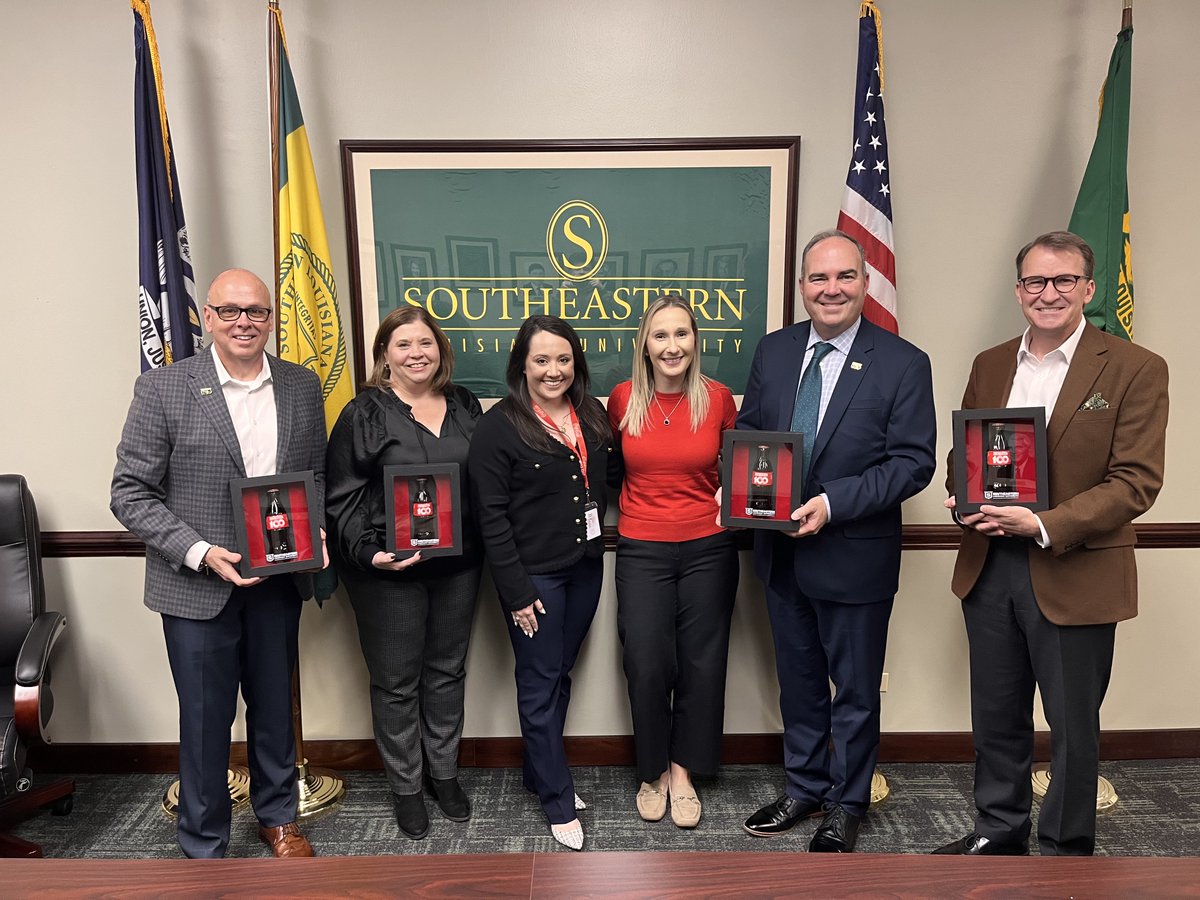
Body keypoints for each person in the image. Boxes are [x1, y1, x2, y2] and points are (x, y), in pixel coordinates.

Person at [933, 231, 1168, 857]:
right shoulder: (990, 363)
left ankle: (1067, 849)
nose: (1049, 293)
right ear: (1019, 292)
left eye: (1064, 281)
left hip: (1073, 569)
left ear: (1089, 289)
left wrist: (1041, 524)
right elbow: (965, 454)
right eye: (1036, 282)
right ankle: (998, 830)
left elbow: (1135, 482)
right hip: (989, 566)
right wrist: (963, 498)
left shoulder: (1134, 367)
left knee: (1072, 727)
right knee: (997, 717)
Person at [110, 269, 326, 859]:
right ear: (207, 317)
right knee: (205, 719)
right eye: (230, 311)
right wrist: (202, 553)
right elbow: (129, 493)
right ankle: (205, 841)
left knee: (276, 709)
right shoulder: (164, 388)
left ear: (271, 319)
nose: (243, 323)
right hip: (196, 587)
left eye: (256, 312)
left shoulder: (302, 386)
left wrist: (318, 533)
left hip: (278, 581)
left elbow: (315, 477)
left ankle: (279, 818)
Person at [737, 230, 936, 852]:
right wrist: (750, 492)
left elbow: (912, 463)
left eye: (844, 277)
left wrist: (833, 502)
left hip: (853, 555)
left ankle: (847, 804)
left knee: (852, 690)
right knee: (796, 681)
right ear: (802, 288)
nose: (831, 289)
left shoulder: (903, 362)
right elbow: (749, 433)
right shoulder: (773, 352)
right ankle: (804, 788)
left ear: (865, 282)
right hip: (780, 553)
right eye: (819, 279)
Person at [324, 306, 483, 841]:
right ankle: (407, 787)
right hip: (388, 573)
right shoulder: (363, 413)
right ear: (384, 355)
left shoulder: (463, 403)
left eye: (426, 343)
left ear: (440, 350)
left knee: (447, 671)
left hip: (458, 565)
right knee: (396, 683)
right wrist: (371, 554)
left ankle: (444, 773)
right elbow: (341, 497)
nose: (417, 353)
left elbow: (482, 481)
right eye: (403, 345)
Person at [468, 315, 619, 851]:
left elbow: (612, 478)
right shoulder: (499, 426)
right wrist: (516, 593)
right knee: (538, 682)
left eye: (563, 359)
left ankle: (540, 771)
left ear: (575, 362)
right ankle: (557, 799)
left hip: (585, 568)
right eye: (541, 360)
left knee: (560, 674)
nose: (553, 370)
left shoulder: (593, 415)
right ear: (522, 365)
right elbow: (491, 519)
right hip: (534, 578)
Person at [607, 295, 738, 828]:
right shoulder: (621, 399)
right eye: (660, 335)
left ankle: (684, 771)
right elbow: (608, 471)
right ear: (644, 343)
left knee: (702, 663)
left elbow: (749, 465)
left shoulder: (719, 398)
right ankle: (653, 769)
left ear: (696, 341)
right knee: (646, 662)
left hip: (708, 546)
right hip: (641, 546)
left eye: (681, 334)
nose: (672, 346)